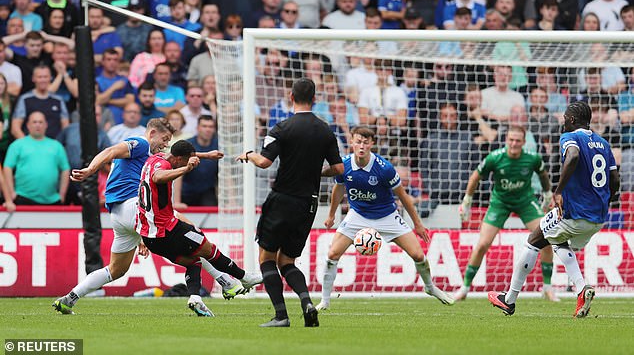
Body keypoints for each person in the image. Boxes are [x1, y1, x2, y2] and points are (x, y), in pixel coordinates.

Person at [53, 118, 249, 315]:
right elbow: (110, 151)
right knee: (189, 232)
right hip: (133, 207)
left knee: (116, 270)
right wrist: (90, 170)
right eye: (164, 139)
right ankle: (225, 280)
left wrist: (205, 155)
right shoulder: (141, 143)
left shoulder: (151, 153)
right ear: (152, 132)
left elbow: (172, 154)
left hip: (119, 216)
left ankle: (70, 298)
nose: (165, 144)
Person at [488, 102, 619, 318]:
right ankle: (581, 289)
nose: (563, 122)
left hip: (574, 213)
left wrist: (558, 191)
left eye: (565, 118)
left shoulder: (570, 138)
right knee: (557, 241)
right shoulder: (604, 144)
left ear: (572, 120)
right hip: (598, 218)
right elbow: (614, 179)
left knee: (533, 240)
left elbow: (574, 156)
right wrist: (608, 199)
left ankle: (508, 300)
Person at [236, 78, 344, 328]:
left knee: (266, 258)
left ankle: (281, 315)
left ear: (290, 96)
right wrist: (315, 172)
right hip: (309, 204)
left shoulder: (281, 128)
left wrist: (248, 154)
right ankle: (307, 302)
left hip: (282, 199)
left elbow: (264, 162)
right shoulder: (325, 130)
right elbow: (338, 169)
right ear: (314, 99)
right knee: (288, 261)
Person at [316, 127, 454, 311]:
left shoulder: (384, 168)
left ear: (372, 143)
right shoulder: (344, 165)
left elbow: (403, 196)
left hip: (387, 215)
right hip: (358, 215)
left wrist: (418, 224)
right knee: (332, 255)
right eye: (358, 141)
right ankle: (324, 301)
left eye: (366, 142)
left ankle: (430, 287)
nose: (361, 146)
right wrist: (332, 215)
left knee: (418, 255)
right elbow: (339, 188)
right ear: (352, 142)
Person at [137, 139, 262, 316]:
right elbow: (158, 177)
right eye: (186, 160)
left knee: (193, 260)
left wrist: (207, 155)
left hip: (151, 238)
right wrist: (186, 169)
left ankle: (195, 298)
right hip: (167, 230)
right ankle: (244, 277)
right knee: (207, 248)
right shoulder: (163, 168)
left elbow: (174, 158)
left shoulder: (155, 158)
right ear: (180, 159)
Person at [456, 126, 558, 302]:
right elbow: (475, 177)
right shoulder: (495, 158)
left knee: (547, 240)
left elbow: (543, 175)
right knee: (482, 244)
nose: (514, 143)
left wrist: (547, 194)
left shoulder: (532, 158)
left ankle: (547, 288)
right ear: (506, 140)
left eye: (518, 140)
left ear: (524, 142)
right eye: (511, 140)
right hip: (500, 203)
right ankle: (464, 288)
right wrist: (466, 202)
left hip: (525, 201)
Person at [4, 111, 70, 206]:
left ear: (46, 125)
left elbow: (65, 169)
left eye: (40, 122)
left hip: (52, 200)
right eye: (34, 122)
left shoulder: (57, 146)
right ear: (28, 125)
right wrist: (11, 193)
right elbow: (7, 168)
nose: (37, 125)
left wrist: (62, 195)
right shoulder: (17, 145)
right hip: (23, 198)